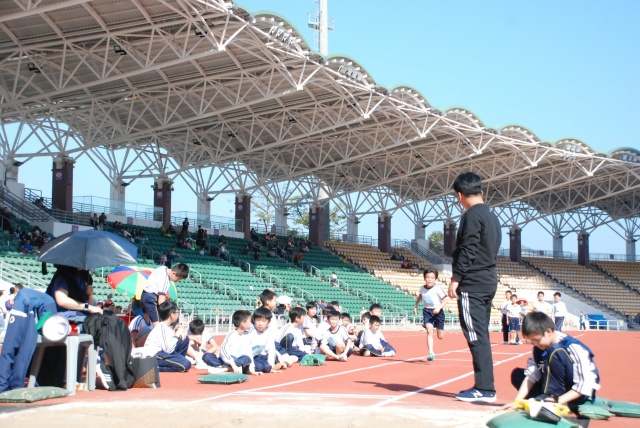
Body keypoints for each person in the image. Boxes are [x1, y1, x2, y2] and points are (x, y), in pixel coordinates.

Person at [447, 172, 501, 404]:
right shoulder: (491, 215)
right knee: (481, 334)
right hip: (488, 279)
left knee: (475, 335)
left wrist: (456, 278)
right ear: (481, 191)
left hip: (474, 283)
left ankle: (485, 388)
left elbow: (468, 249)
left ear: (460, 195)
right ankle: (484, 386)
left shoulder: (471, 216)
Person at [502, 312, 600, 410]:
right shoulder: (538, 348)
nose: (535, 344)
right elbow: (532, 375)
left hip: (576, 392)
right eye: (531, 342)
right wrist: (518, 401)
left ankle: (551, 400)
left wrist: (560, 400)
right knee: (517, 375)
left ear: (548, 332)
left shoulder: (572, 346)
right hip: (552, 386)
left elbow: (586, 384)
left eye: (536, 340)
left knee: (555, 350)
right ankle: (545, 399)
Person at [141, 300, 191, 372]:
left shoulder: (168, 328)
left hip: (162, 353)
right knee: (185, 364)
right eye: (177, 312)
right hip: (154, 355)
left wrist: (180, 335)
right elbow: (168, 350)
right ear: (172, 315)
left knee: (184, 339)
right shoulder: (161, 327)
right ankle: (155, 368)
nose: (178, 314)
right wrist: (177, 335)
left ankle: (178, 361)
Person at [413, 269, 449, 361]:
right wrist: (416, 306)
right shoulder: (422, 288)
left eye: (432, 278)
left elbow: (445, 300)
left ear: (435, 279)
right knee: (429, 331)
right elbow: (420, 296)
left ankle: (438, 327)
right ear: (424, 278)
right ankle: (431, 352)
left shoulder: (437, 289)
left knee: (440, 336)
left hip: (438, 312)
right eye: (427, 277)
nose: (429, 279)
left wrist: (439, 308)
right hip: (427, 311)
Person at [220, 310, 261, 375]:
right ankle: (229, 368)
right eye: (250, 321)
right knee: (207, 356)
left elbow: (249, 353)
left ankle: (226, 369)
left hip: (239, 361)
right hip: (228, 361)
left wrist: (252, 370)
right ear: (243, 324)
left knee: (246, 358)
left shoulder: (247, 335)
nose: (251, 323)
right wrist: (232, 364)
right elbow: (223, 349)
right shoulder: (232, 334)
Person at [249, 307, 281, 373]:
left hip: (260, 357)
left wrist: (271, 367)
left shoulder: (269, 332)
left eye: (263, 321)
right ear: (254, 320)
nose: (260, 324)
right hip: (249, 356)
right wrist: (251, 369)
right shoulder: (250, 331)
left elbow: (271, 350)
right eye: (258, 320)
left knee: (267, 367)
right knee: (259, 367)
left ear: (268, 322)